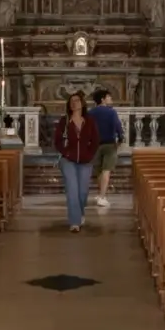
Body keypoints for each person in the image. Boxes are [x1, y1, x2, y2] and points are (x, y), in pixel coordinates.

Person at [53, 91, 99, 233]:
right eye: (72, 101)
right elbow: (57, 140)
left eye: (77, 100)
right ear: (69, 105)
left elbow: (96, 140)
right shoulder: (65, 121)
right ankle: (74, 222)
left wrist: (90, 154)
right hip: (68, 160)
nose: (74, 103)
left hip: (85, 160)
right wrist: (66, 152)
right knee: (72, 189)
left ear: (82, 103)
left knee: (83, 191)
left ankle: (80, 213)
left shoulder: (89, 121)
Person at [90, 87, 123, 209]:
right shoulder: (111, 112)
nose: (111, 99)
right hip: (109, 144)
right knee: (106, 170)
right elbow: (118, 126)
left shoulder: (90, 113)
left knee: (98, 170)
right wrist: (120, 138)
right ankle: (102, 197)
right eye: (109, 97)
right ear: (103, 99)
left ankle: (100, 194)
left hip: (95, 145)